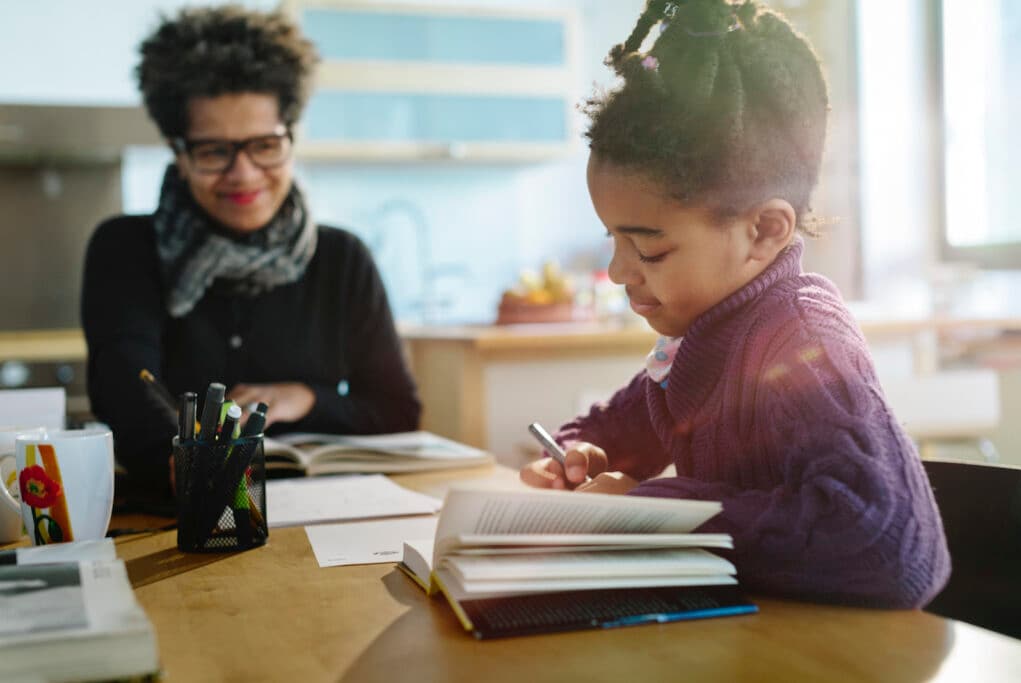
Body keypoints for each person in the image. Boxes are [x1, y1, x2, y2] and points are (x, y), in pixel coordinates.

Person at [520, 0, 950, 608]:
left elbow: (884, 545)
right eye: (612, 239)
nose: (618, 272)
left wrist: (644, 513)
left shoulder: (801, 337)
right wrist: (582, 452)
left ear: (765, 231)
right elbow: (626, 424)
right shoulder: (700, 336)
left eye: (650, 249)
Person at [82, 6, 420, 505]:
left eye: (264, 145)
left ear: (290, 137)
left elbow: (397, 411)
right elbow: (123, 385)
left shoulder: (341, 258)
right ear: (179, 150)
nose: (243, 174)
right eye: (215, 151)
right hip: (177, 518)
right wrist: (179, 458)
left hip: (323, 515)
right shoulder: (126, 249)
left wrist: (305, 398)